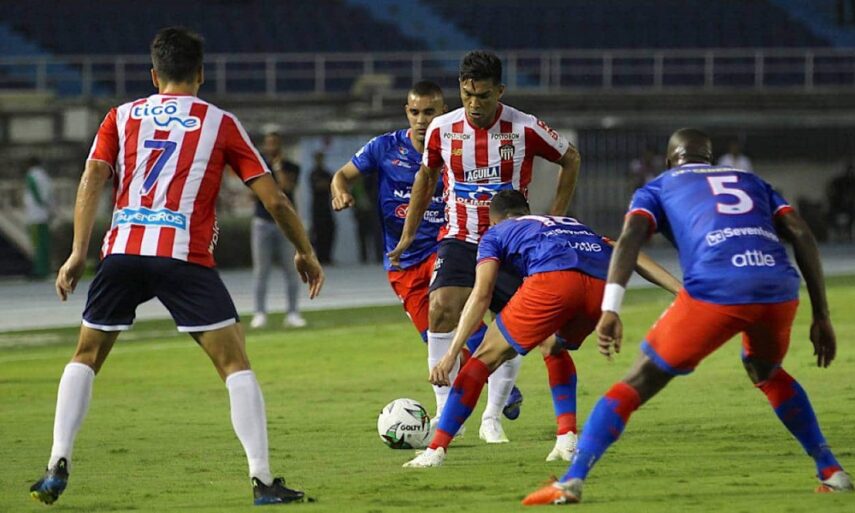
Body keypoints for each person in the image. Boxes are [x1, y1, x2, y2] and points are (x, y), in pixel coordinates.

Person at [28, 27, 324, 507]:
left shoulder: (121, 116)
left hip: (123, 251)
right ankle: (263, 481)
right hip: (183, 255)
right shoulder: (220, 123)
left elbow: (93, 176)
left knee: (86, 355)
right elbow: (275, 200)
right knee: (234, 363)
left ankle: (56, 460)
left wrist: (79, 252)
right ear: (201, 74)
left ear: (154, 75)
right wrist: (305, 251)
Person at [523, 128, 852, 505]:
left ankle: (571, 482)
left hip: (717, 287)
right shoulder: (752, 181)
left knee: (638, 380)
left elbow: (630, 238)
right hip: (778, 286)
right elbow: (802, 234)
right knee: (766, 370)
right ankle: (831, 471)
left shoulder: (659, 186)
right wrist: (821, 315)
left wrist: (611, 306)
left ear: (669, 161)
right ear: (709, 160)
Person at [403, 190, 680, 468]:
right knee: (552, 345)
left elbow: (482, 293)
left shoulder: (494, 234)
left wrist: (451, 353)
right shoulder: (570, 223)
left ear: (493, 220)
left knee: (484, 358)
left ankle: (435, 450)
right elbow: (630, 253)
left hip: (554, 282)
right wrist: (682, 292)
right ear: (527, 210)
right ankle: (567, 438)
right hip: (599, 288)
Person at [388, 50, 581, 443]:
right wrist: (409, 233)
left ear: (501, 91)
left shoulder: (525, 127)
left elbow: (571, 158)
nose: (474, 104)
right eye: (467, 95)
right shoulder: (442, 128)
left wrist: (555, 217)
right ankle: (446, 414)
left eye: (483, 96)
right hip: (460, 236)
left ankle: (491, 417)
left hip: (511, 242)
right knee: (440, 308)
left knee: (513, 327)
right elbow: (427, 176)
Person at [330, 81, 522, 429]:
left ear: (443, 112)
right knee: (434, 336)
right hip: (401, 261)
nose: (422, 120)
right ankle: (485, 387)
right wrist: (340, 191)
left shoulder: (454, 147)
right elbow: (341, 175)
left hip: (443, 247)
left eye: (430, 112)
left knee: (453, 314)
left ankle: (478, 397)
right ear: (407, 112)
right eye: (415, 112)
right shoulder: (384, 147)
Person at [250, 128, 307, 329]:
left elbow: (286, 188)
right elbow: (254, 194)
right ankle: (259, 313)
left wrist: (278, 167)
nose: (272, 146)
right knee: (261, 270)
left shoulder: (291, 167)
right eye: (269, 143)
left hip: (285, 224)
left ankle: (292, 313)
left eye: (275, 143)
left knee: (292, 269)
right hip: (262, 222)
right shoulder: (258, 167)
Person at [23, 157, 53, 279]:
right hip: (44, 214)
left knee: (37, 244)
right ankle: (46, 268)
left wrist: (41, 204)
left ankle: (39, 269)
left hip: (35, 214)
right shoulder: (45, 176)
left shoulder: (31, 175)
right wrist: (48, 207)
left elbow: (35, 192)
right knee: (45, 244)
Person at [310, 151, 335, 264]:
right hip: (317, 208)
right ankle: (319, 256)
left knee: (329, 231)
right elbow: (317, 186)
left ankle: (327, 256)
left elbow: (332, 185)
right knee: (318, 232)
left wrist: (325, 184)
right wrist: (325, 184)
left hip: (326, 206)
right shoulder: (313, 173)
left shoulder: (326, 173)